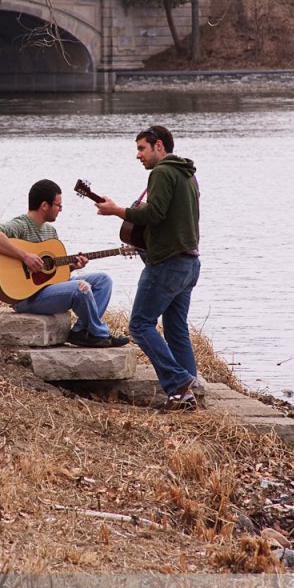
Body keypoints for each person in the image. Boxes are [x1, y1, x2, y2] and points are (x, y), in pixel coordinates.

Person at [96, 126, 201, 410]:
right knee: (176, 327)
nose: (138, 155)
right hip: (190, 262)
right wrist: (144, 242)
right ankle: (193, 387)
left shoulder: (162, 173)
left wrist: (115, 210)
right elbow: (174, 219)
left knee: (140, 325)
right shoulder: (187, 174)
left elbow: (154, 213)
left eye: (142, 148)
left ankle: (179, 384)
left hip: (167, 265)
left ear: (158, 146)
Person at [0, 179, 129, 348]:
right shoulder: (21, 225)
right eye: (58, 205)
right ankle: (100, 334)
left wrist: (72, 266)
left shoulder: (50, 231)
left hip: (47, 289)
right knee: (80, 287)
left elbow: (51, 272)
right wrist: (25, 256)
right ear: (44, 205)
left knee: (103, 280)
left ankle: (81, 332)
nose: (60, 210)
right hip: (26, 297)